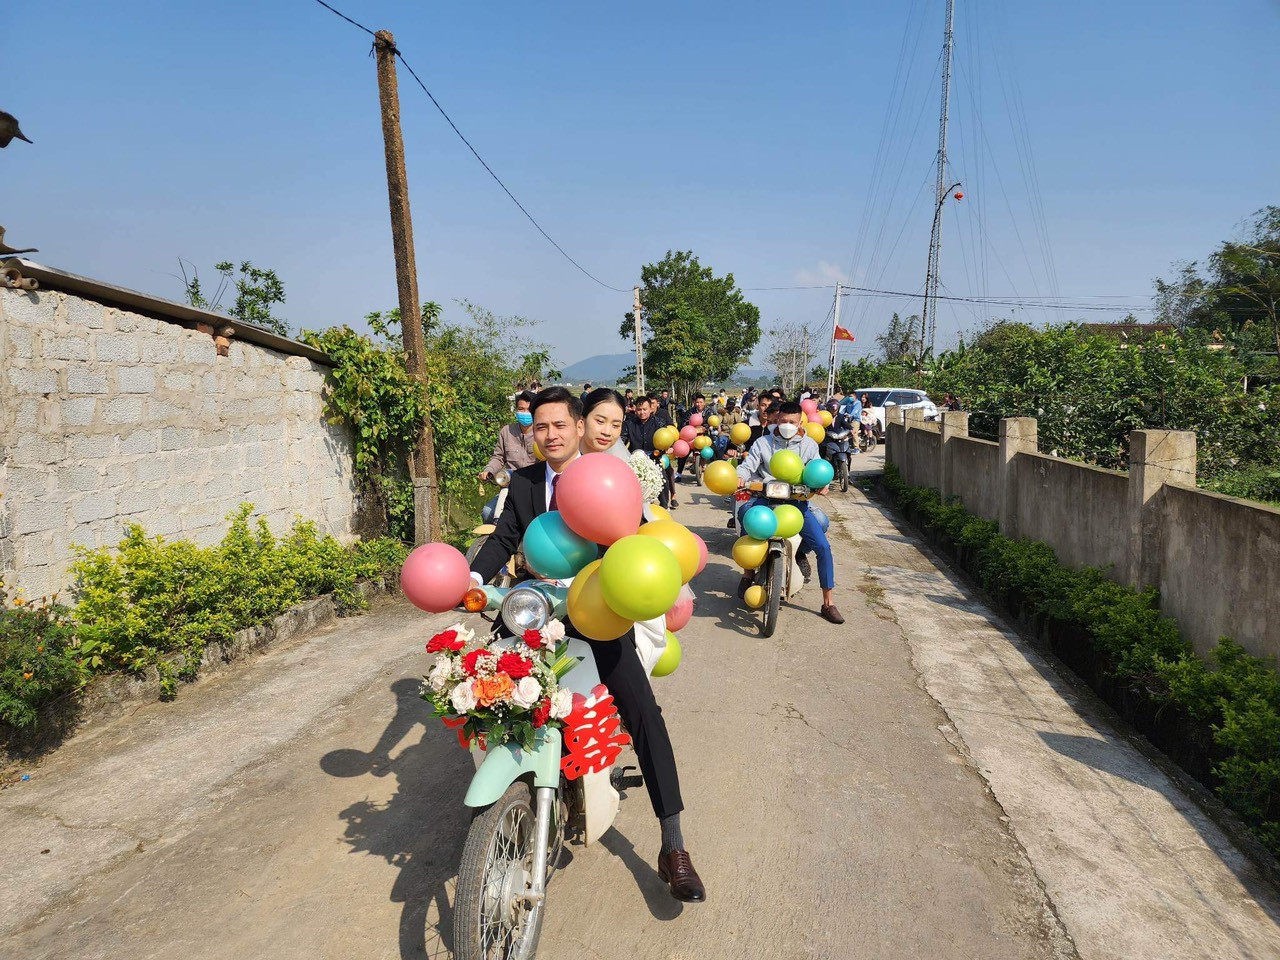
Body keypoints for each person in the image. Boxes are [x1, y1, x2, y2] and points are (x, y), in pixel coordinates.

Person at [469, 387, 706, 902]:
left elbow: (640, 536)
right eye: (539, 427)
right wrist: (471, 577)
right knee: (486, 687)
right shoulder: (527, 481)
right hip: (538, 609)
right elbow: (505, 537)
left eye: (559, 425)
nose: (550, 435)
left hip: (600, 616)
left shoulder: (607, 477)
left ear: (579, 427)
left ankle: (674, 843)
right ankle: (509, 801)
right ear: (529, 432)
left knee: (643, 713)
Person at [735, 401, 843, 624]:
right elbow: (748, 465)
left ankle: (828, 602)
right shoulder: (762, 443)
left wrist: (823, 484)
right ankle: (748, 573)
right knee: (745, 516)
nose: (787, 425)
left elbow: (818, 468)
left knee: (823, 546)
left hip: (796, 504)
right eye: (783, 421)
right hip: (765, 500)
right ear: (776, 420)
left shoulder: (809, 445)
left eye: (792, 422)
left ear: (800, 422)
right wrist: (740, 476)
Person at [623, 396, 671, 508]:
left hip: (654, 458)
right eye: (639, 410)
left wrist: (663, 449)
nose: (642, 412)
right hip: (635, 460)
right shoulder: (629, 424)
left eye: (645, 409)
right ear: (635, 410)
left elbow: (665, 439)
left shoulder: (659, 423)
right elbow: (622, 439)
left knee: (663, 478)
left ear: (651, 409)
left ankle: (665, 506)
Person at [479, 390, 537, 481]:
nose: (525, 413)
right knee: (501, 496)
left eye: (529, 410)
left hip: (536, 482)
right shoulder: (506, 431)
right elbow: (499, 457)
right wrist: (489, 471)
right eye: (521, 409)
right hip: (511, 481)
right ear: (516, 410)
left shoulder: (542, 433)